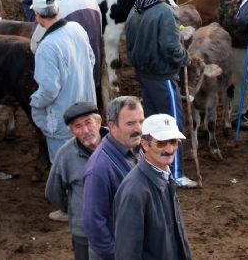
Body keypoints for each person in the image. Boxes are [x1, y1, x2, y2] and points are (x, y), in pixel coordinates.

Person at [124, 0, 196, 186]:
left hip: (143, 73)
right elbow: (170, 48)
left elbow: (128, 37)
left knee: (152, 122)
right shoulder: (165, 11)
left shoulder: (137, 6)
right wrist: (185, 57)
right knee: (172, 122)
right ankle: (175, 173)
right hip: (162, 75)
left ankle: (152, 166)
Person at [112, 113, 193, 260]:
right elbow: (127, 253)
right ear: (144, 144)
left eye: (174, 141)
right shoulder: (134, 192)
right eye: (161, 143)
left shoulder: (165, 177)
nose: (169, 149)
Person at [29, 0, 97, 161]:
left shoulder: (46, 46)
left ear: (37, 15)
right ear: (57, 10)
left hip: (64, 121)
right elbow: (91, 59)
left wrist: (35, 102)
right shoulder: (77, 28)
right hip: (88, 113)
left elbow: (49, 89)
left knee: (66, 168)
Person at [83, 96, 144, 260]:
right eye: (130, 123)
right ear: (112, 126)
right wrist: (116, 255)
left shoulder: (138, 149)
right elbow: (94, 223)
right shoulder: (99, 168)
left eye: (141, 121)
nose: (138, 128)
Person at [45, 102, 103, 260]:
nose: (85, 130)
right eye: (78, 127)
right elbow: (53, 192)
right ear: (71, 132)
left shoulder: (117, 145)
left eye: (88, 123)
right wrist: (76, 210)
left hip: (119, 229)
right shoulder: (65, 155)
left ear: (99, 122)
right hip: (84, 233)